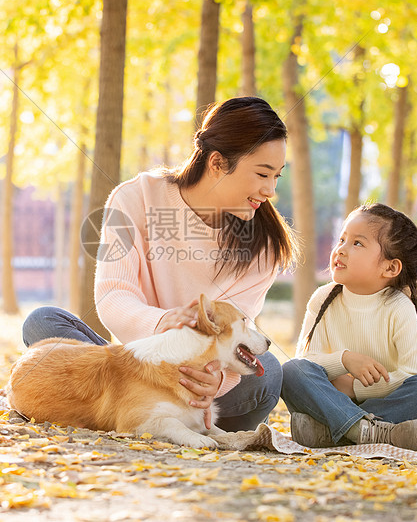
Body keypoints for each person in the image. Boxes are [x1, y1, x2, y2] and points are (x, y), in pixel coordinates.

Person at [22, 96, 298, 432]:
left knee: (265, 374)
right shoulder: (136, 198)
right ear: (216, 163)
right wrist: (166, 321)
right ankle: (135, 409)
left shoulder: (264, 245)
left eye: (276, 177)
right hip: (132, 371)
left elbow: (237, 329)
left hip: (195, 381)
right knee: (44, 323)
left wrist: (215, 379)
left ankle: (145, 414)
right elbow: (113, 296)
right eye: (262, 174)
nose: (270, 190)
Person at [281, 203, 417, 450]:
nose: (341, 250)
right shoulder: (323, 298)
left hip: (386, 406)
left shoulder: (399, 307)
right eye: (342, 239)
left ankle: (334, 431)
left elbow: (416, 373)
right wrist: (344, 360)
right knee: (291, 371)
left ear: (390, 267)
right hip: (331, 400)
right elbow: (306, 362)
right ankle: (365, 431)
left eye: (357, 243)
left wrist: (355, 388)